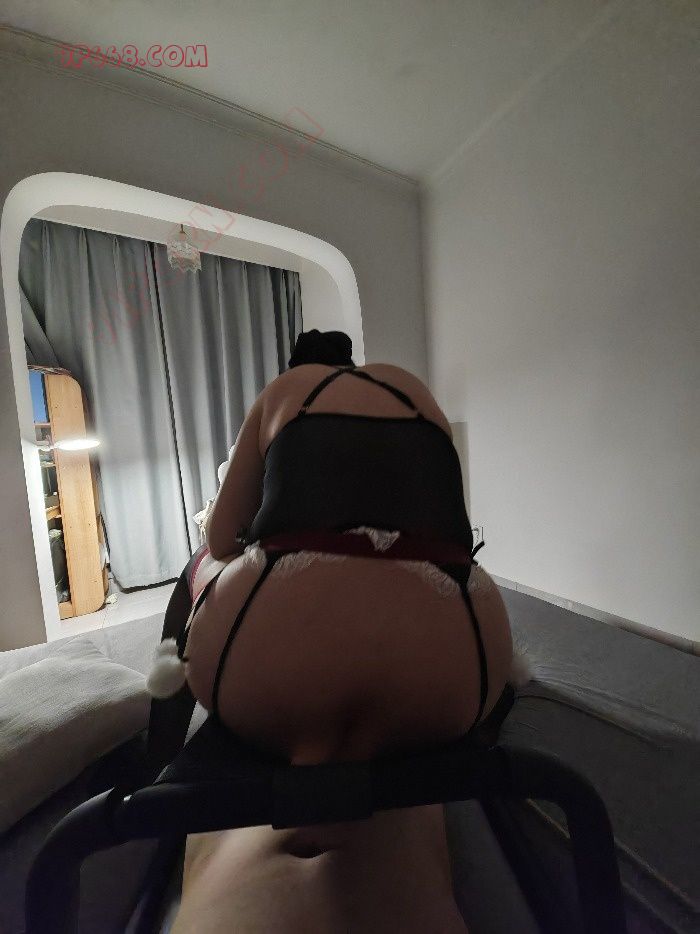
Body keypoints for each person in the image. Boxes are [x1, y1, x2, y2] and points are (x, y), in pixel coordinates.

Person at [151, 330, 514, 933]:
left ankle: (155, 759)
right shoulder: (414, 390)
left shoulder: (284, 391)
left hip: (281, 660)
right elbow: (447, 524)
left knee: (199, 567)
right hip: (458, 652)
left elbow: (220, 536)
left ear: (299, 366)